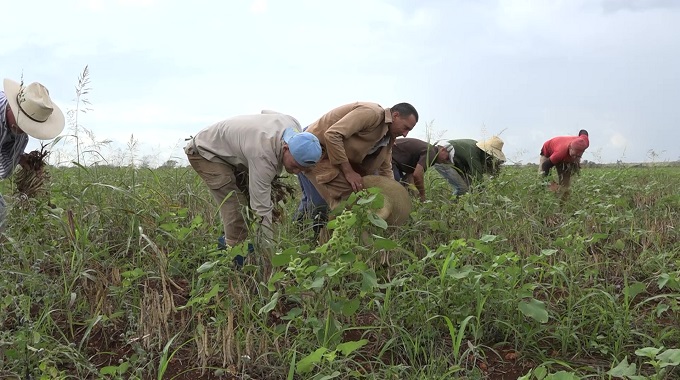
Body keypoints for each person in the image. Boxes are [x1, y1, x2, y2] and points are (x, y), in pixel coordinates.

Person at [185, 110, 322, 266]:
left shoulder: (293, 125)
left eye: (303, 169)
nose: (298, 172)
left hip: (234, 151)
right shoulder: (263, 155)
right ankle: (234, 263)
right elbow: (261, 210)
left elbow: (266, 112)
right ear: (286, 149)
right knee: (236, 206)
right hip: (206, 151)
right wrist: (270, 258)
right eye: (296, 166)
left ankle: (243, 247)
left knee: (251, 203)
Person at [296, 102, 418, 232]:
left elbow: (385, 168)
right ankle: (321, 240)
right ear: (395, 115)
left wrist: (394, 197)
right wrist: (348, 172)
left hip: (336, 160)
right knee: (340, 202)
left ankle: (300, 228)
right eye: (406, 128)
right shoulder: (372, 114)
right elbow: (332, 135)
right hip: (316, 152)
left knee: (352, 197)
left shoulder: (388, 136)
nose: (405, 134)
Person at [1, 78, 65, 230]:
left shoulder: (17, 129)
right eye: (22, 123)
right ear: (12, 107)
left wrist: (21, 158)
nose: (24, 130)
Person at [434, 136, 506, 196]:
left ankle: (462, 207)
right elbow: (478, 177)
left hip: (454, 163)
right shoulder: (473, 153)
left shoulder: (476, 148)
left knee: (469, 188)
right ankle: (452, 206)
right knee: (462, 188)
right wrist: (484, 196)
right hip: (442, 159)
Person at [391, 137, 452, 201]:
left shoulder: (430, 153)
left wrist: (416, 197)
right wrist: (422, 195)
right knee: (396, 186)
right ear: (443, 150)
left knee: (404, 187)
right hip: (389, 157)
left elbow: (411, 175)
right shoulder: (431, 153)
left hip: (395, 162)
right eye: (447, 158)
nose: (446, 162)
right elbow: (417, 175)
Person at [539, 129, 589, 196]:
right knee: (542, 178)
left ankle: (562, 204)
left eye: (578, 156)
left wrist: (575, 163)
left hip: (564, 156)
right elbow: (545, 165)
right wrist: (551, 182)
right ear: (570, 148)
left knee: (565, 186)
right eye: (573, 155)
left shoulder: (584, 142)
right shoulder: (560, 153)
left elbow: (583, 131)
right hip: (548, 150)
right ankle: (540, 199)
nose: (575, 157)